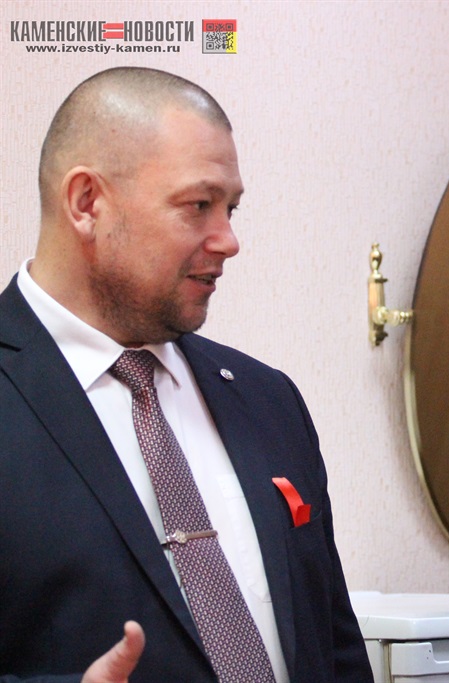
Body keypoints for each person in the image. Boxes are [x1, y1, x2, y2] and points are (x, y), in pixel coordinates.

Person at [0, 67, 372, 682]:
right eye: (199, 205)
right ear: (87, 203)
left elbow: (335, 649)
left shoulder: (268, 400)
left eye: (231, 208)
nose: (228, 240)